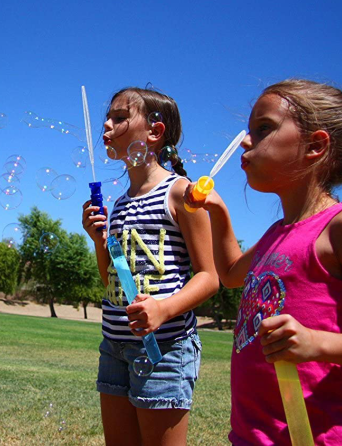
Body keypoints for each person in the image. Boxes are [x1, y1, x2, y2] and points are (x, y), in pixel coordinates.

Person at [183, 79, 342, 445]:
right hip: (251, 435)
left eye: (264, 128)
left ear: (315, 146)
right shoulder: (277, 232)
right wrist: (219, 212)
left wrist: (315, 342)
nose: (244, 141)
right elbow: (229, 274)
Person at [82, 87, 219, 445]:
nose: (107, 126)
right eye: (106, 118)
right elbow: (111, 281)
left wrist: (163, 309)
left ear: (154, 134)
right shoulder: (119, 204)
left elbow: (209, 278)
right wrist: (99, 241)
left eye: (120, 117)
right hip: (113, 345)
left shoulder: (180, 194)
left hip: (166, 348)